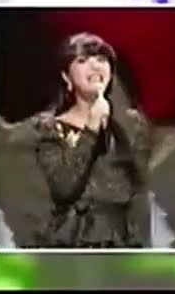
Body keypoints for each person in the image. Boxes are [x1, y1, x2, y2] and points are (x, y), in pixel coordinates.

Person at [29, 32, 153, 248]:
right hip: (75, 238)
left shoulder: (132, 124)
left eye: (102, 59)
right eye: (82, 60)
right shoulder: (50, 128)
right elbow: (64, 188)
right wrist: (92, 128)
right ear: (66, 77)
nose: (95, 66)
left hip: (125, 239)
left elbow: (143, 184)